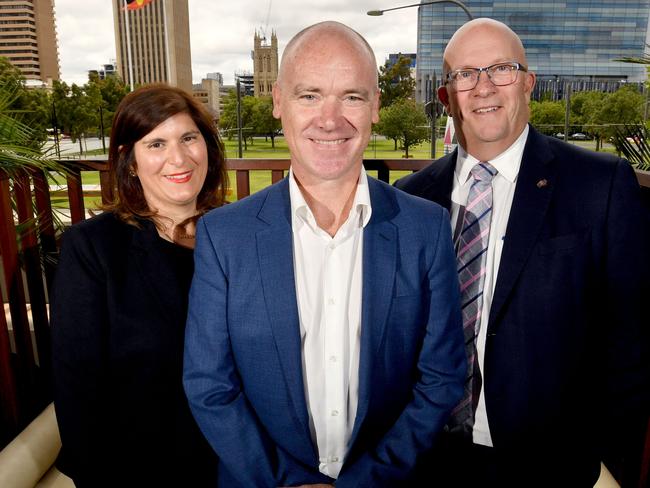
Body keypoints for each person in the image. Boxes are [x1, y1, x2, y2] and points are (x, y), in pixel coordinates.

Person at [183, 21, 466, 487]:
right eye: (309, 95)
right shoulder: (224, 236)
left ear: (376, 106)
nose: (330, 119)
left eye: (351, 96)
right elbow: (209, 385)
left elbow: (441, 377)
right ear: (278, 102)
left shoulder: (425, 229)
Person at [396, 18, 650, 486]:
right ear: (446, 97)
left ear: (529, 84)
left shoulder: (601, 186)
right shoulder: (411, 197)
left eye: (502, 69)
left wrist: (612, 468)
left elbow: (633, 340)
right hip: (429, 458)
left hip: (559, 464)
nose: (484, 86)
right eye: (466, 74)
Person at [51, 84, 228, 486]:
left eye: (188, 138)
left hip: (236, 464)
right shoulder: (94, 248)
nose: (178, 158)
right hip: (138, 469)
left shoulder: (240, 236)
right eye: (156, 144)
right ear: (129, 162)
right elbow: (77, 389)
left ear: (207, 147)